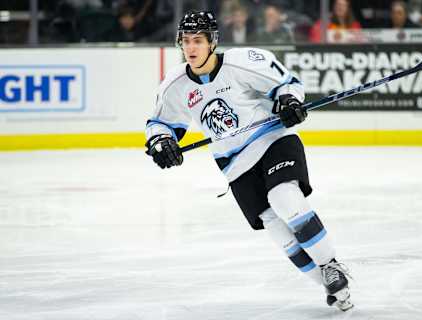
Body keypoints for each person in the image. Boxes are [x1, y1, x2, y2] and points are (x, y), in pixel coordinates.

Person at [144, 11, 353, 311]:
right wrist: (162, 142)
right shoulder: (175, 85)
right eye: (186, 41)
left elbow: (287, 84)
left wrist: (288, 101)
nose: (190, 48)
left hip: (272, 141)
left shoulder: (243, 62)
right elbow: (161, 123)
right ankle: (328, 283)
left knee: (284, 198)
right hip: (235, 164)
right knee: (275, 227)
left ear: (212, 42)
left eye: (198, 41)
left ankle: (331, 265)